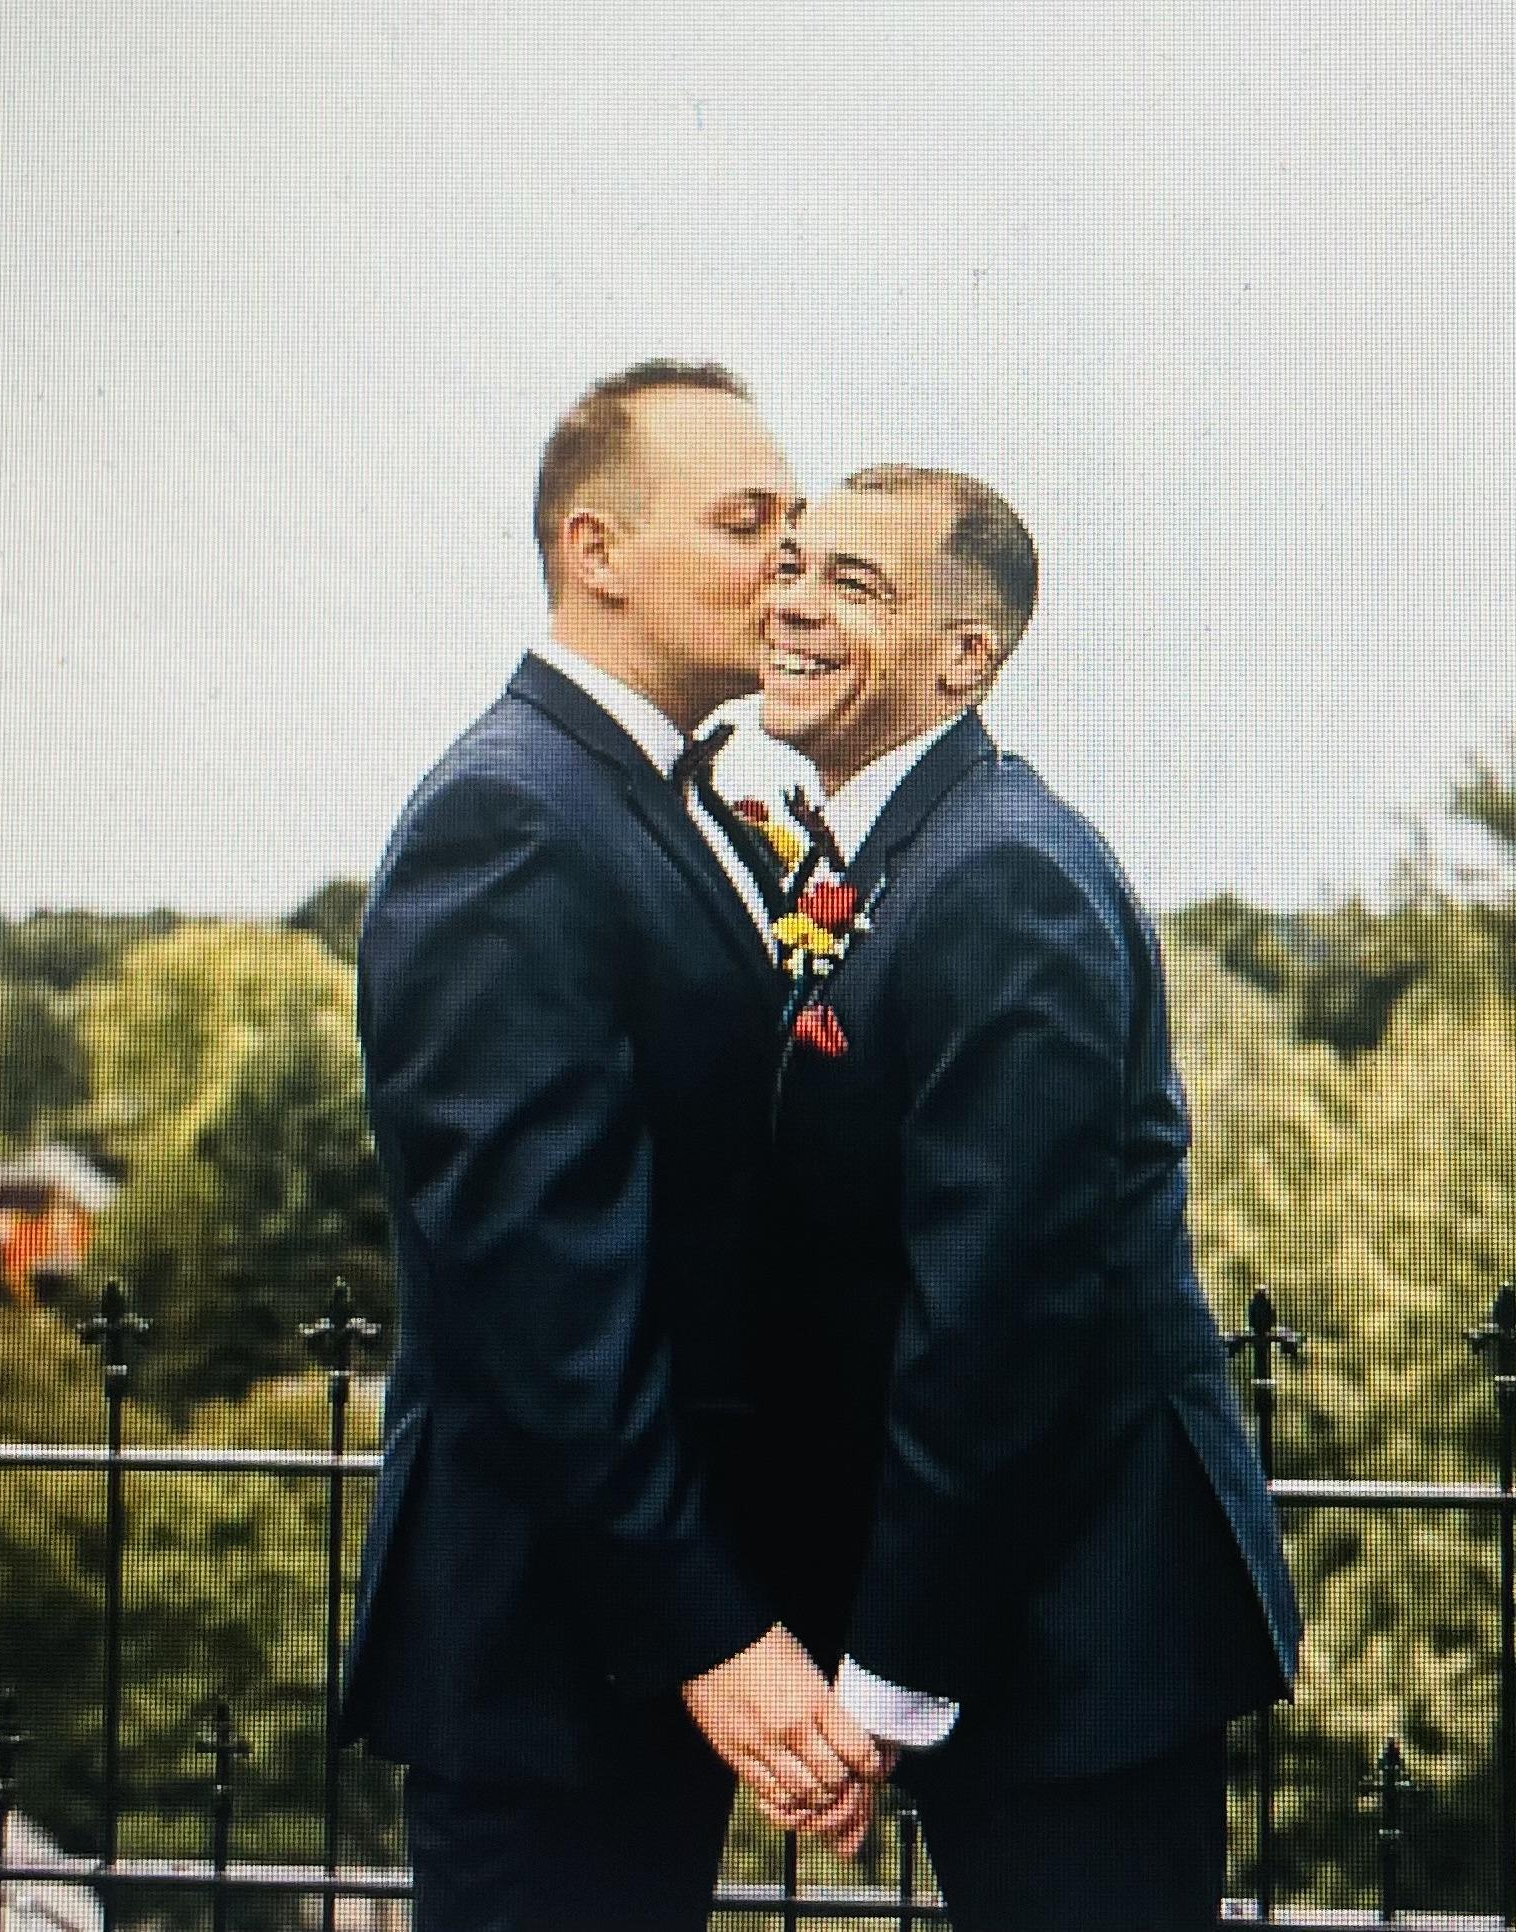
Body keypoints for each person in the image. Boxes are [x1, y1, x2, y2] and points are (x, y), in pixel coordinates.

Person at [340, 362, 885, 1932]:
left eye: (798, 527)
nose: (790, 568)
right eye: (747, 523)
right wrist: (708, 1633)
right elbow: (533, 1290)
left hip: (615, 1641)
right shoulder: (510, 816)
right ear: (596, 550)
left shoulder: (656, 799)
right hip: (555, 1647)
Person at [750, 465, 1304, 1929]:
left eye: (853, 585)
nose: (793, 603)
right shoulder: (898, 853)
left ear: (964, 657)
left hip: (1079, 1625)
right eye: (794, 565)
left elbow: (997, 1316)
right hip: (1017, 1607)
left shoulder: (1003, 878)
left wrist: (886, 1683)